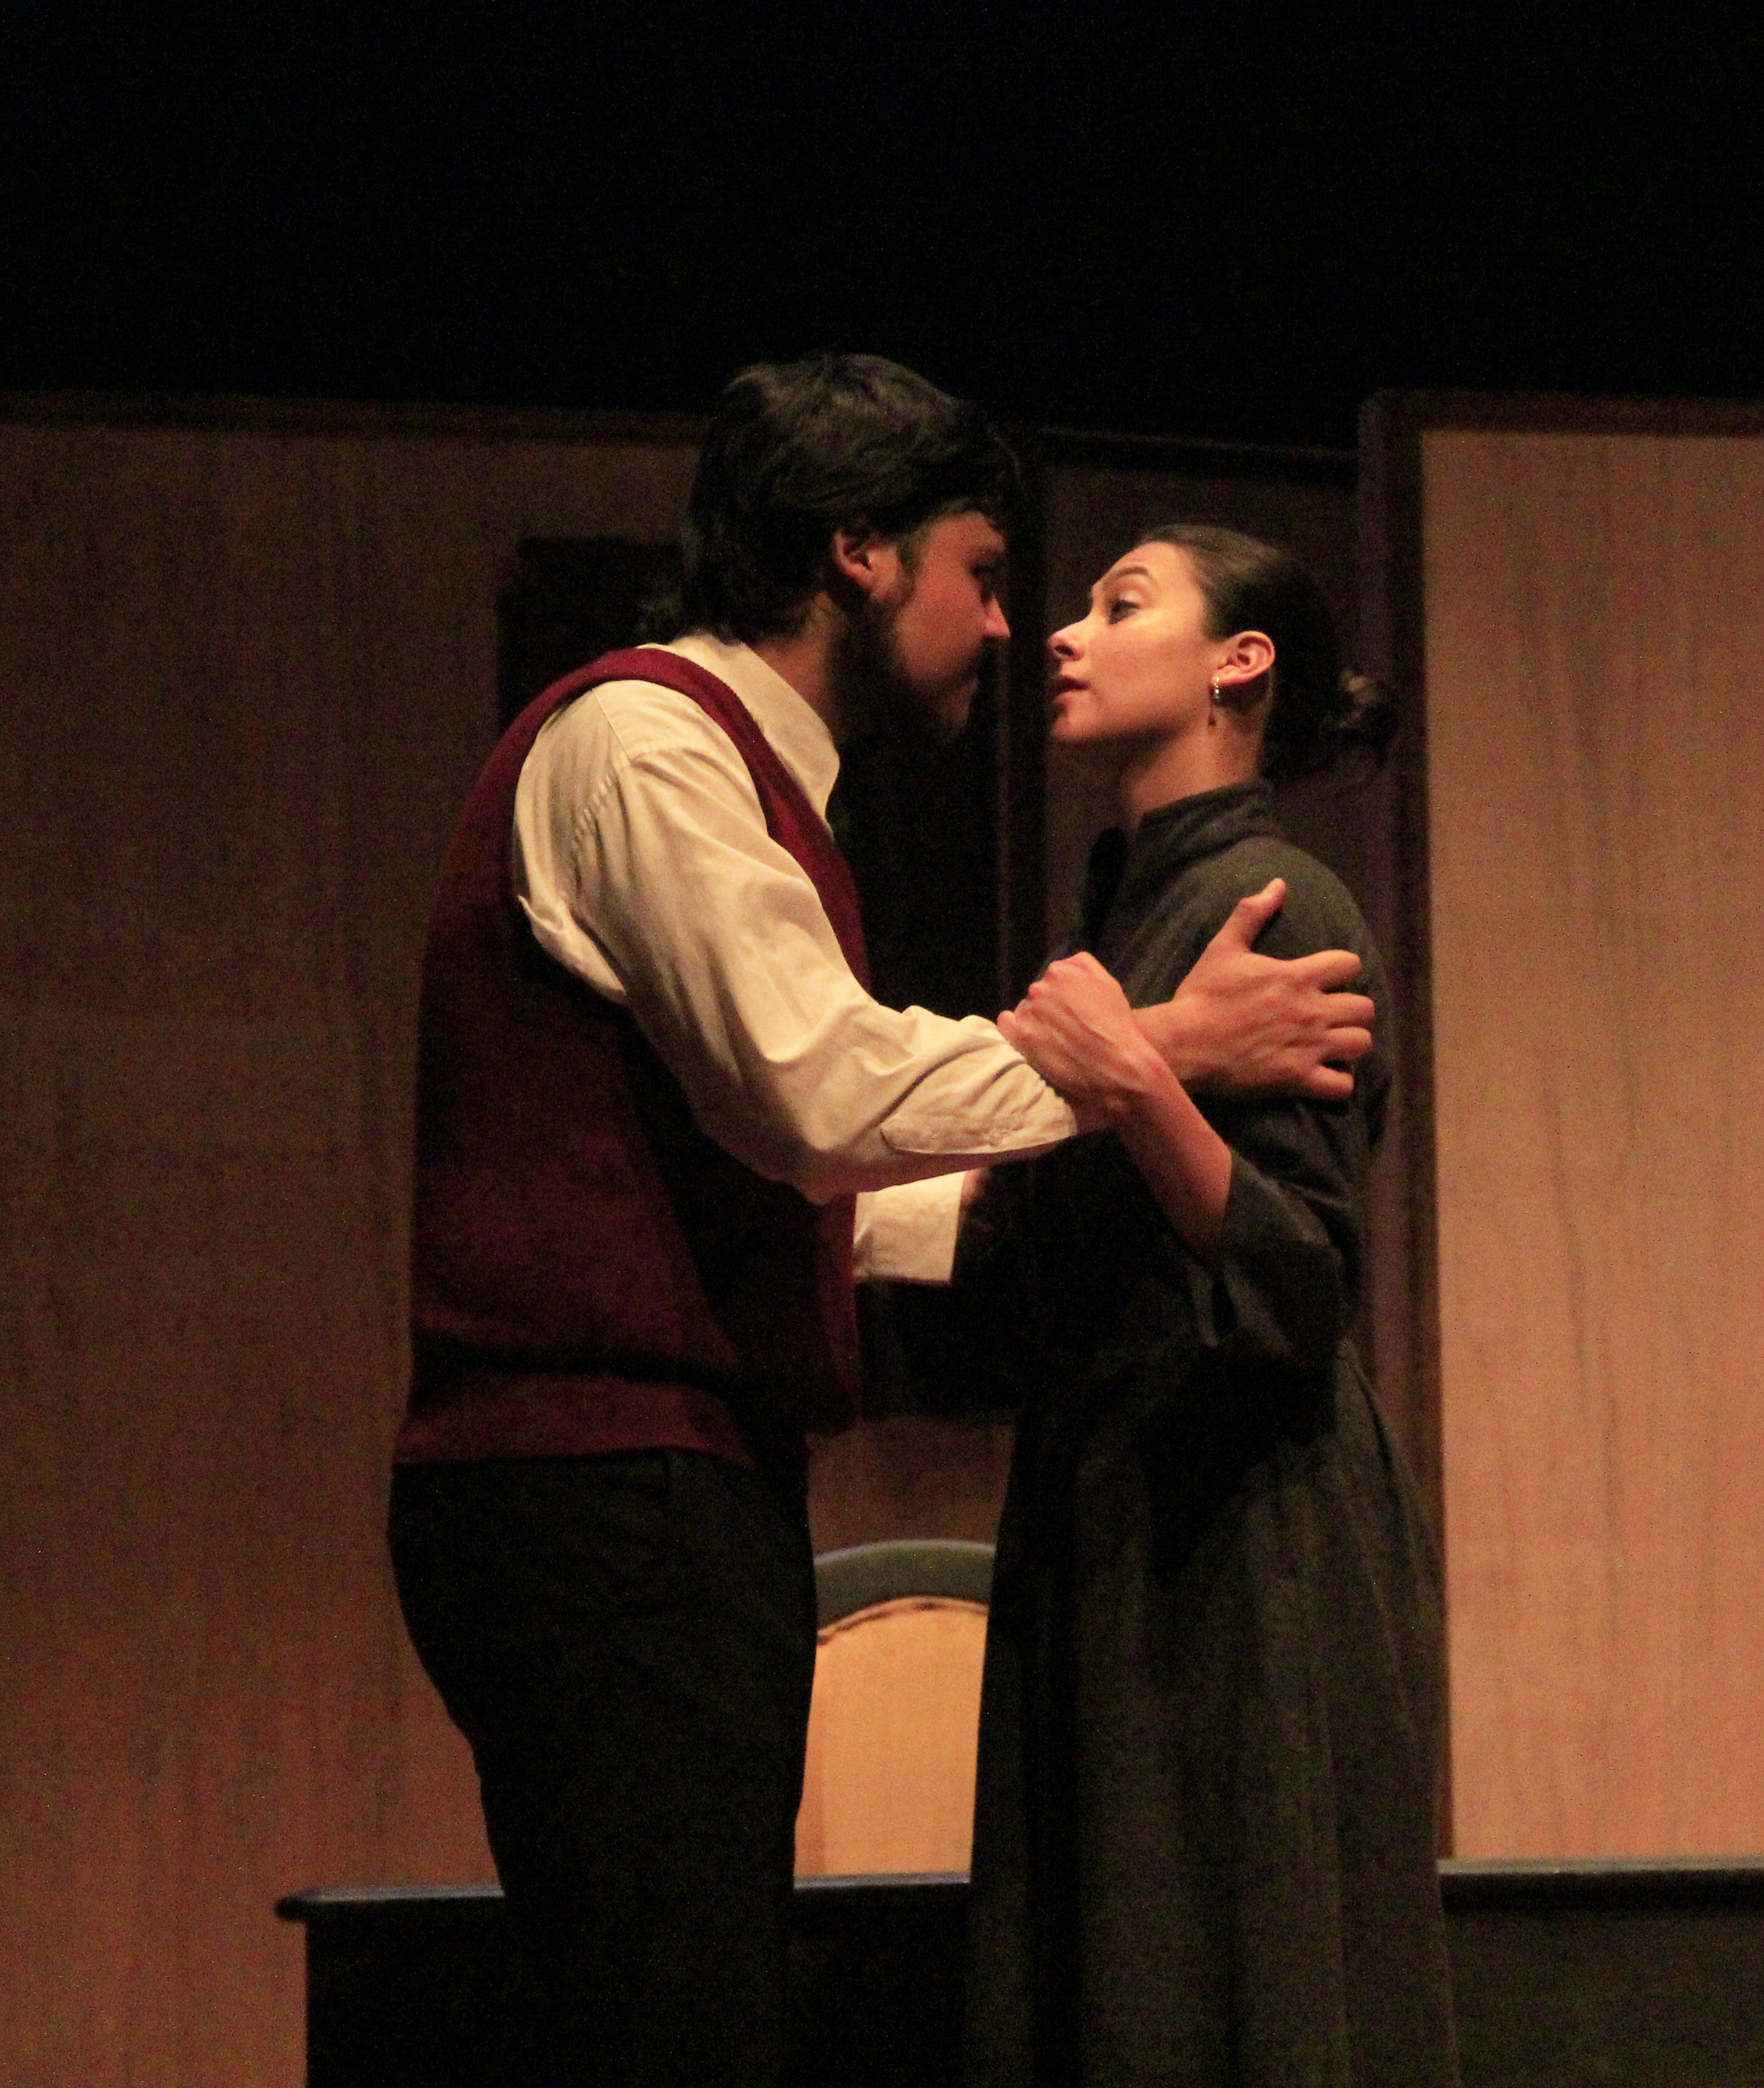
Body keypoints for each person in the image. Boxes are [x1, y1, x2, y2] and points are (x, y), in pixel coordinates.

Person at [385, 359, 1379, 2088]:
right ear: (858, 552)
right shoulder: (648, 744)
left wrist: (1048, 1174)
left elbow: (785, 1179)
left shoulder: (779, 787)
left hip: (664, 1486)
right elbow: (815, 1093)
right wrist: (1155, 1052)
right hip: (604, 1485)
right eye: (982, 572)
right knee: (673, 2028)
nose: (1008, 626)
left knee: (680, 2007)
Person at [961, 525, 1460, 2087]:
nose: (1064, 633)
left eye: (1121, 605)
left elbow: (1299, 1278)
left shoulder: (1270, 900)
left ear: (1237, 664)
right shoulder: (1129, 911)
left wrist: (1133, 1078)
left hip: (1244, 1523)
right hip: (1121, 1501)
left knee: (1219, 1987)